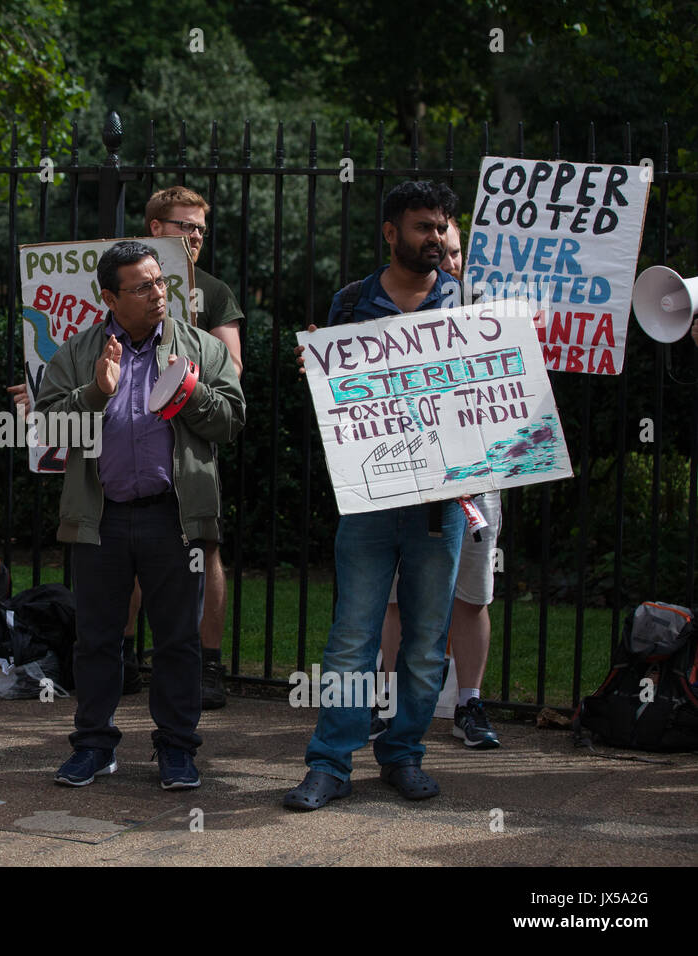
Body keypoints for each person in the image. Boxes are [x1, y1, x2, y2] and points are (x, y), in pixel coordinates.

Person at [36, 240, 245, 790]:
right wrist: (93, 395)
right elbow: (49, 428)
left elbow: (231, 421)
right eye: (142, 287)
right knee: (97, 640)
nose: (158, 295)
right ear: (109, 297)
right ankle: (93, 746)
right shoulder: (79, 352)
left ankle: (177, 749)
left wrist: (189, 391)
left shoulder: (199, 347)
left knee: (178, 641)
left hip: (173, 517)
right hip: (100, 518)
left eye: (160, 282)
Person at [286, 181, 465, 811]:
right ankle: (330, 763)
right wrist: (320, 369)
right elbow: (334, 405)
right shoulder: (352, 303)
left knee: (423, 643)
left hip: (442, 505)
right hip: (369, 497)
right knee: (351, 638)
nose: (435, 238)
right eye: (422, 227)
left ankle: (403, 755)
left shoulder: (473, 305)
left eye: (442, 226)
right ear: (390, 233)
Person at [375, 218, 502, 749]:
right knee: (398, 598)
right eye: (440, 252)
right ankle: (388, 704)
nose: (447, 262)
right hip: (410, 469)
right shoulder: (394, 309)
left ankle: (468, 703)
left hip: (477, 472)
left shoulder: (489, 316)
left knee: (472, 594)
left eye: (454, 254)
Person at [132, 186, 245, 708]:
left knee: (204, 546)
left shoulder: (214, 290)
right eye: (184, 226)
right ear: (155, 227)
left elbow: (234, 369)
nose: (195, 235)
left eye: (200, 227)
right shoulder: (117, 279)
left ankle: (207, 667)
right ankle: (125, 659)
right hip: (123, 439)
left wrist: (181, 375)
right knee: (123, 545)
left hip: (190, 440)